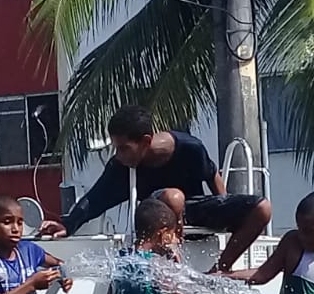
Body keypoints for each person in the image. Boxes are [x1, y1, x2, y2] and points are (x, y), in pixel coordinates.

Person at [43, 105, 272, 274]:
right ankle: (174, 263)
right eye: (116, 149)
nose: (119, 155)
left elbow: (212, 175)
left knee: (262, 208)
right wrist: (68, 224)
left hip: (191, 211)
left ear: (146, 141)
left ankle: (219, 270)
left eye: (124, 148)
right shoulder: (120, 166)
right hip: (156, 219)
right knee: (173, 197)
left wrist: (226, 209)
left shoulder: (190, 148)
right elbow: (95, 199)